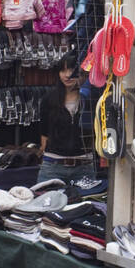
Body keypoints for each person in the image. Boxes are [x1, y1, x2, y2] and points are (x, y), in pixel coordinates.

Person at [36, 54, 97, 190]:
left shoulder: (90, 99)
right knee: (47, 206)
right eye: (63, 70)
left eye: (71, 70)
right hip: (52, 166)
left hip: (84, 166)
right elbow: (44, 133)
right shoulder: (49, 99)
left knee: (86, 206)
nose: (67, 75)